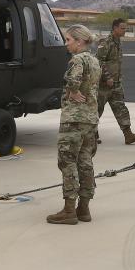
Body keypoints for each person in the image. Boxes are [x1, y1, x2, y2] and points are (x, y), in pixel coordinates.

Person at [47, 24, 101, 225]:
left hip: (74, 119)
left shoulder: (77, 59)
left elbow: (73, 79)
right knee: (85, 161)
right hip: (90, 119)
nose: (66, 44)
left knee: (67, 161)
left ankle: (69, 209)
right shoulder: (94, 61)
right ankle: (84, 208)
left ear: (79, 41)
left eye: (68, 40)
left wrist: (72, 90)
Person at [95, 18, 135, 145]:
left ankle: (128, 134)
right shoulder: (105, 42)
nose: (125, 30)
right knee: (97, 110)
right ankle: (91, 134)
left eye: (125, 28)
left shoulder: (118, 42)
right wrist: (107, 77)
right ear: (115, 28)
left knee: (121, 108)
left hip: (116, 83)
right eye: (122, 28)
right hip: (104, 84)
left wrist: (116, 78)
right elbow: (98, 61)